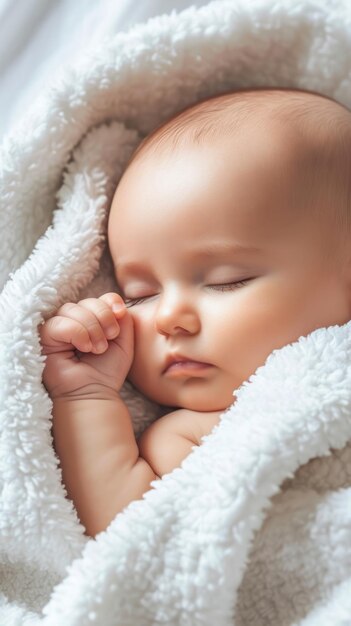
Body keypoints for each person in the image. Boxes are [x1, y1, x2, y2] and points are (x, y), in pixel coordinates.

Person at [39, 87, 351, 537]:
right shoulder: (191, 434)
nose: (169, 318)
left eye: (226, 280)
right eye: (140, 294)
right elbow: (129, 537)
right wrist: (84, 396)